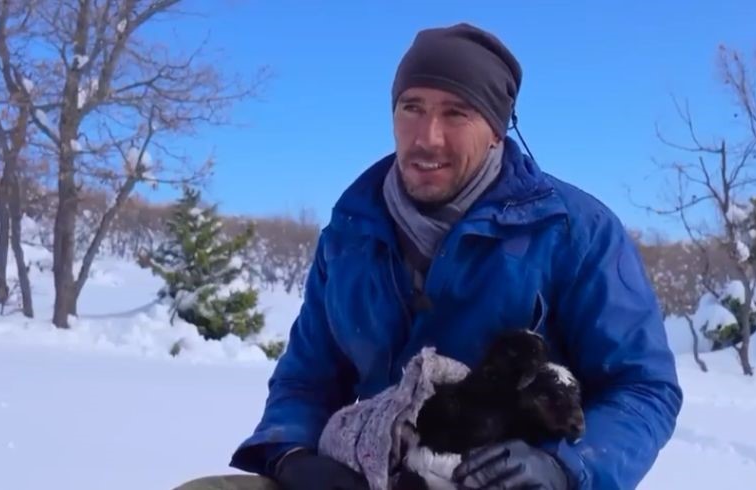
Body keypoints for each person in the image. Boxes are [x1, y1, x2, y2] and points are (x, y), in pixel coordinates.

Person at [173, 22, 683, 490]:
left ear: (497, 131)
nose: (427, 137)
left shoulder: (575, 231)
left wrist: (564, 468)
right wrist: (293, 455)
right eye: (411, 107)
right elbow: (307, 377)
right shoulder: (351, 232)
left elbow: (643, 387)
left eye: (456, 112)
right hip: (378, 469)